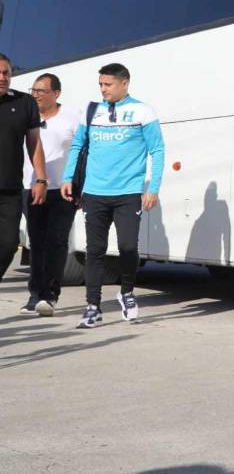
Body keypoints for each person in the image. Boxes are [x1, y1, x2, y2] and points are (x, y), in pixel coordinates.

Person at [62, 63, 164, 328]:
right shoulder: (91, 111)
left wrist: (153, 189)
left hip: (128, 193)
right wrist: (68, 178)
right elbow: (77, 145)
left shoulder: (142, 111)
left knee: (128, 247)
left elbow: (158, 150)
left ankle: (127, 292)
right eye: (100, 84)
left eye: (108, 84)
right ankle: (93, 306)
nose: (103, 89)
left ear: (124, 83)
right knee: (94, 251)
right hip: (94, 193)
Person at [20, 73, 80, 317]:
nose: (35, 95)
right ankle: (35, 295)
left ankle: (50, 295)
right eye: (33, 90)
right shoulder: (26, 116)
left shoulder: (72, 118)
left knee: (56, 242)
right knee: (36, 242)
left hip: (62, 190)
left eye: (41, 91)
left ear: (56, 94)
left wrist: (79, 185)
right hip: (30, 187)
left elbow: (83, 153)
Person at [0, 53, 48, 285]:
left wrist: (41, 179)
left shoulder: (24, 103)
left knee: (9, 244)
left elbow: (34, 143)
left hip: (10, 190)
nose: (2, 77)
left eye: (6, 73)